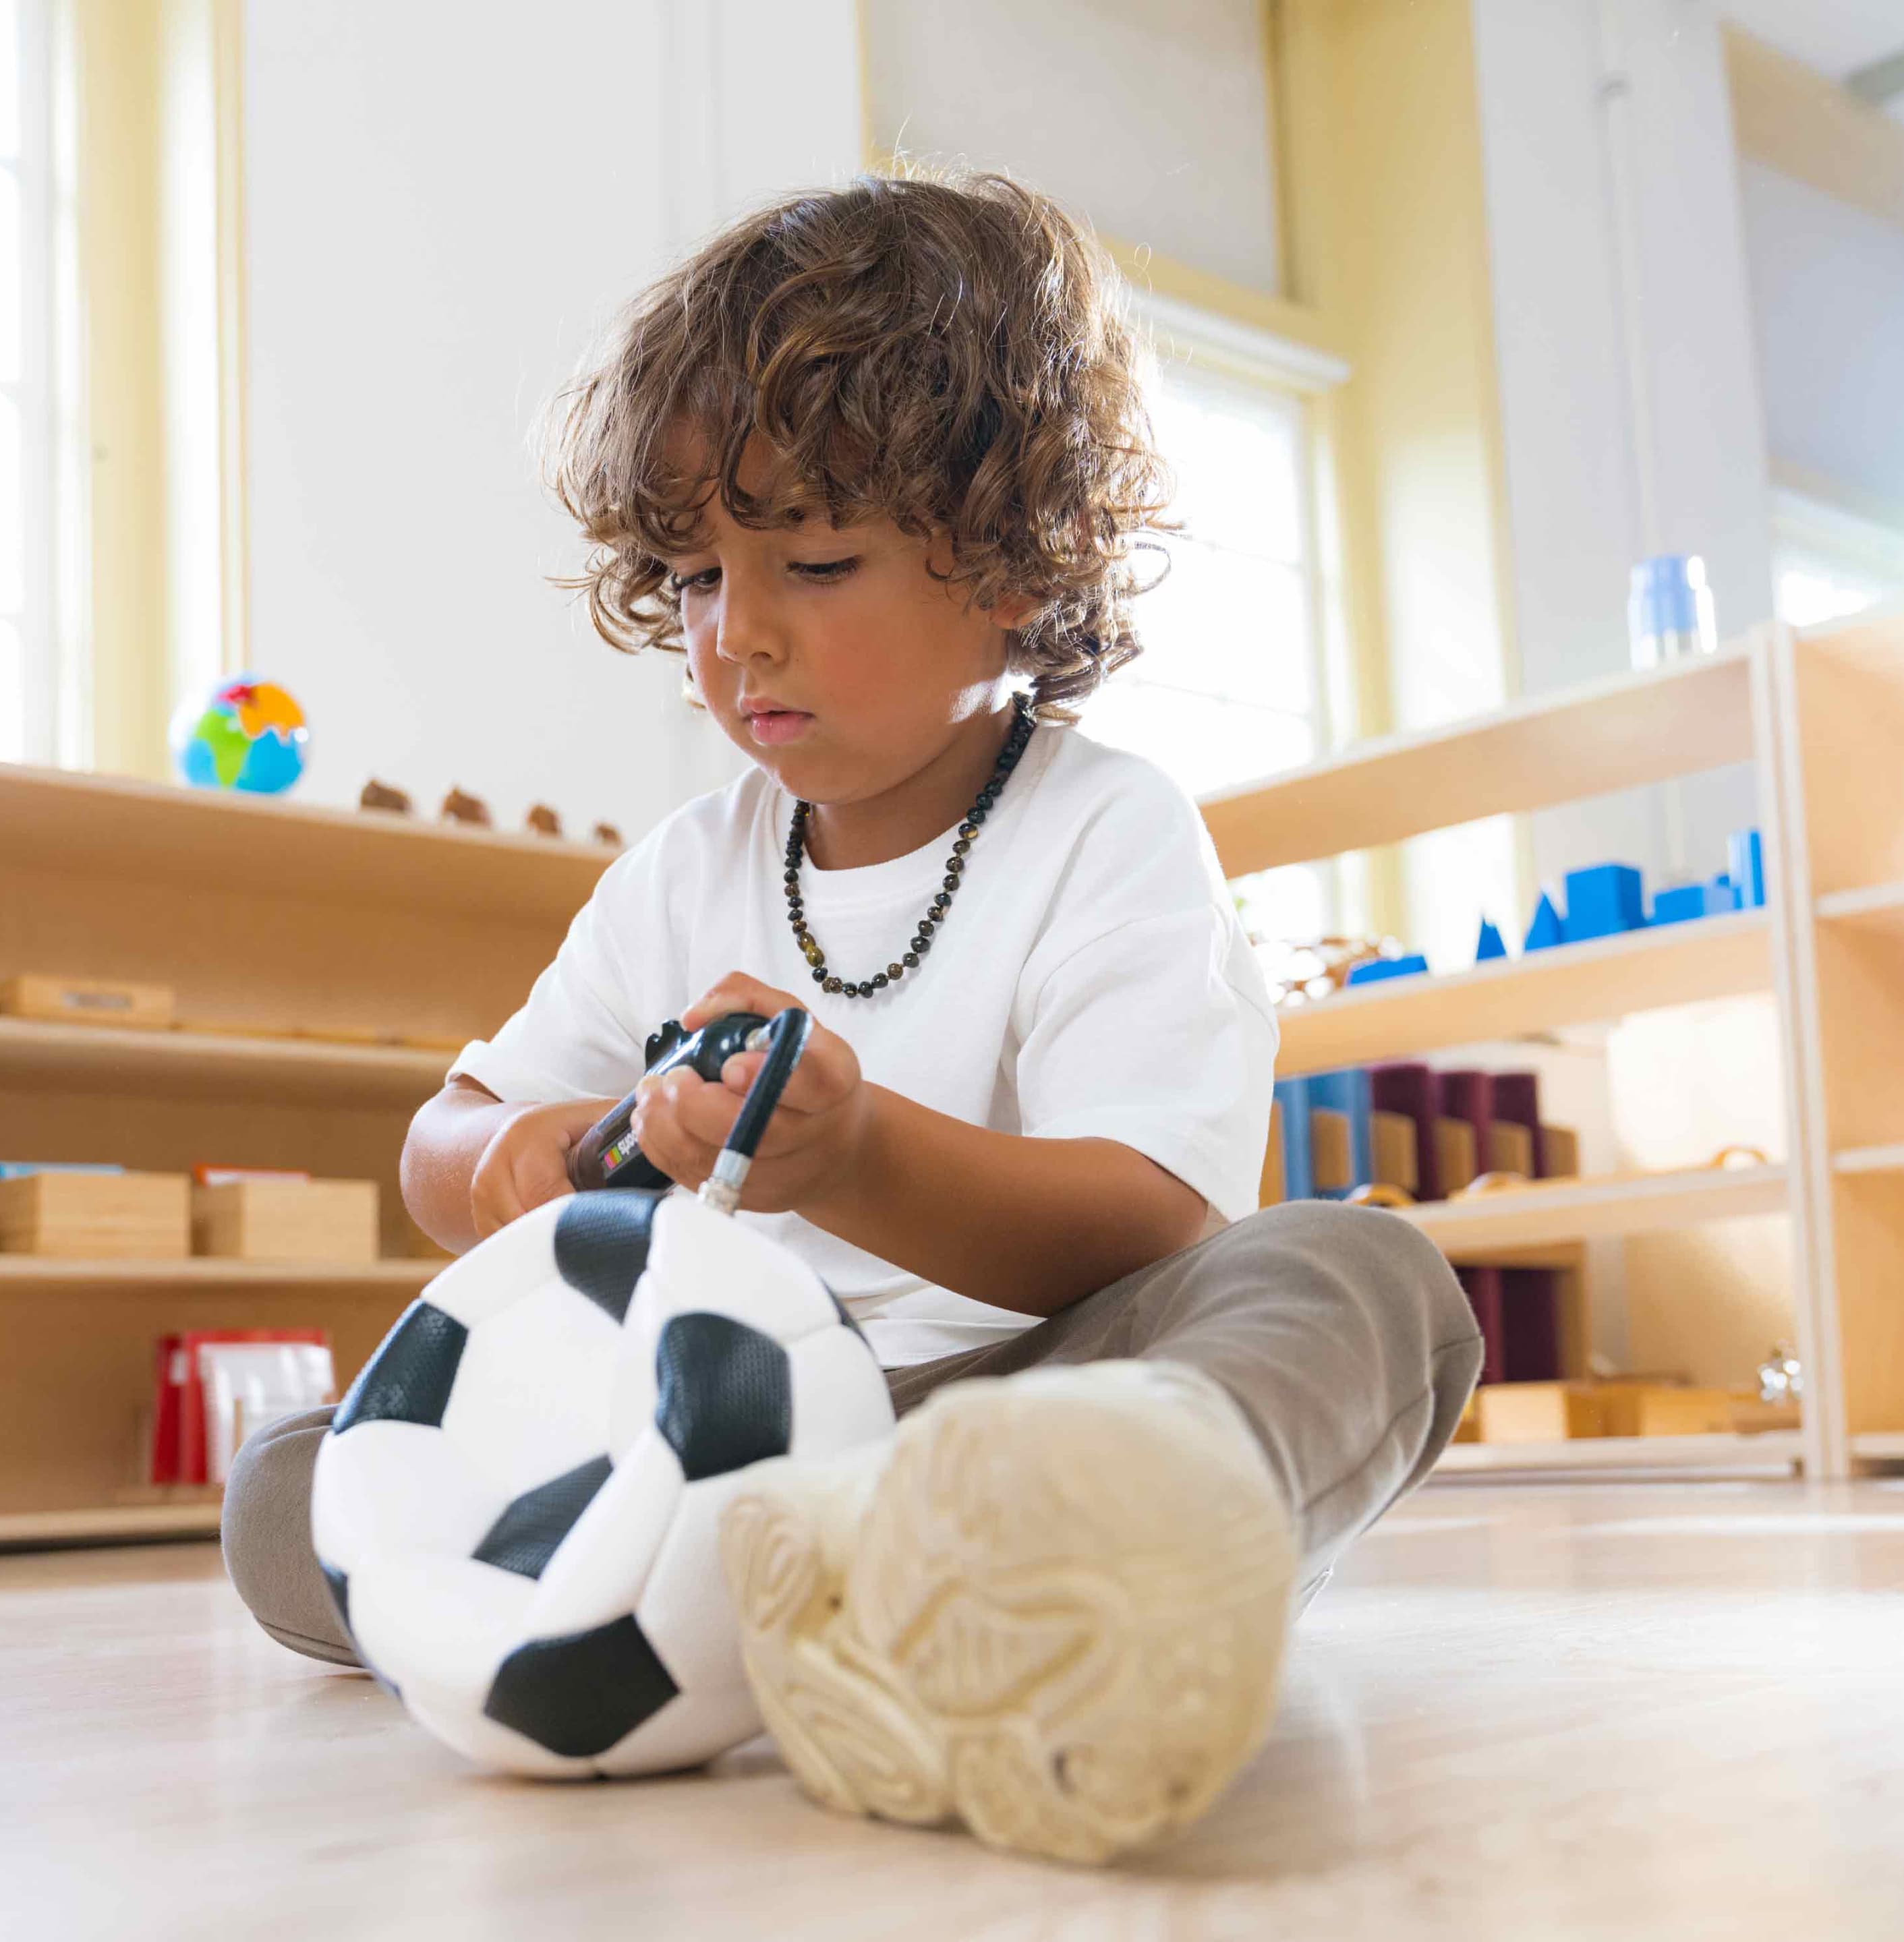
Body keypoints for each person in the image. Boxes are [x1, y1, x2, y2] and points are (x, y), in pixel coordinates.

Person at [223, 169, 1480, 1865]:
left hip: (1030, 1418)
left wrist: (858, 1153)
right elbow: (441, 1144)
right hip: (722, 1444)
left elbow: (1146, 1219)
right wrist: (544, 1163)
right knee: (297, 1489)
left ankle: (1101, 1563)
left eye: (814, 559)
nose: (738, 633)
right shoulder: (681, 873)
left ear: (1022, 567)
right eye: (689, 579)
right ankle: (817, 1618)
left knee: (1363, 1281)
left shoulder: (1107, 830)